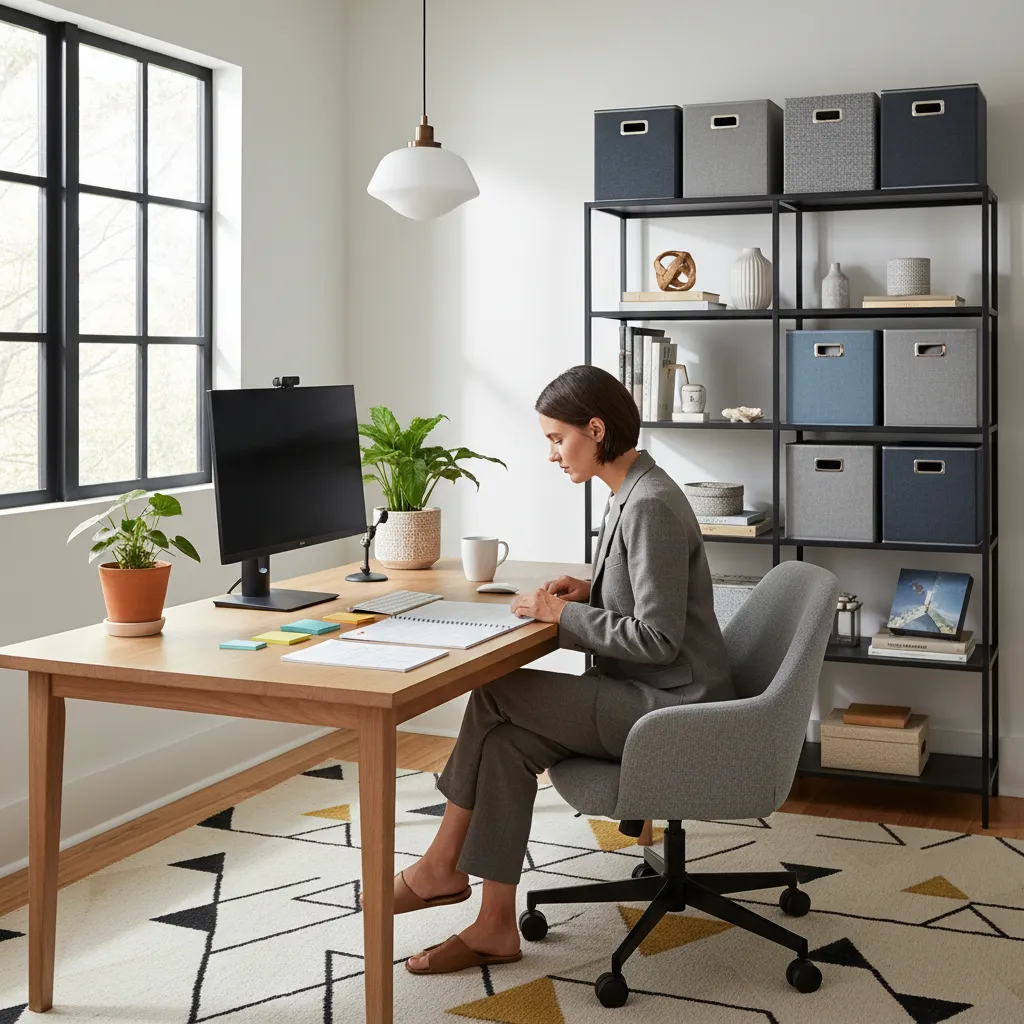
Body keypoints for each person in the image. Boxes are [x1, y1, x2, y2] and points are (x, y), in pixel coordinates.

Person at [400, 364, 734, 975]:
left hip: (673, 709)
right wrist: (592, 592)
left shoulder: (650, 505)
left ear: (596, 430)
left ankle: (440, 866)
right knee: (504, 744)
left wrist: (561, 615)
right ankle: (494, 925)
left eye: (557, 438)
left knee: (494, 690)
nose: (552, 454)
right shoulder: (632, 492)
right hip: (647, 693)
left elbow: (660, 640)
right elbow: (650, 602)